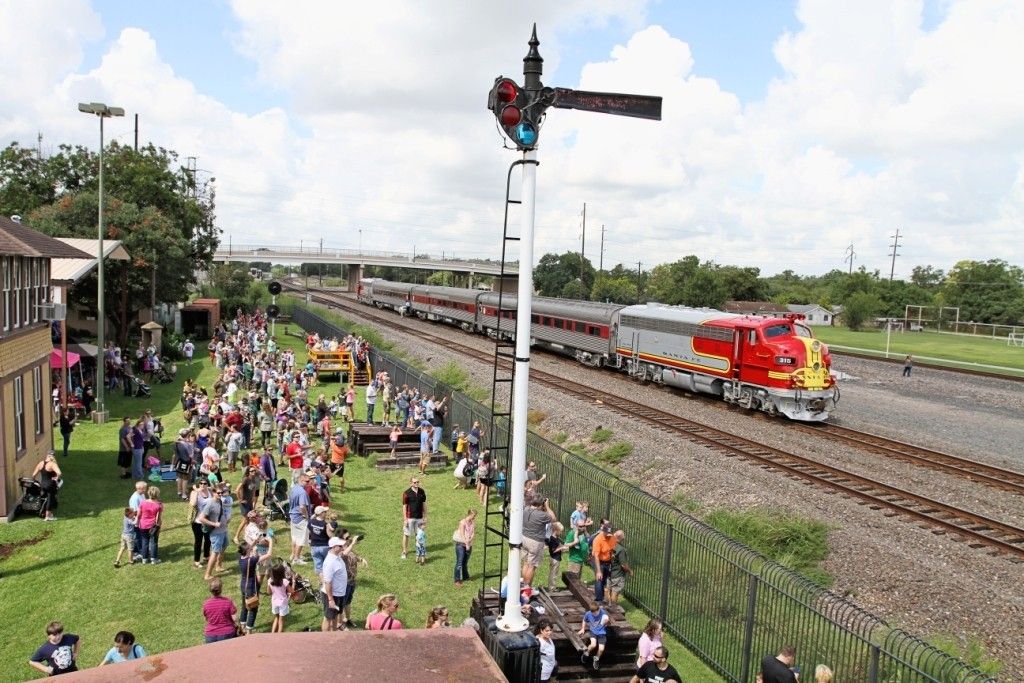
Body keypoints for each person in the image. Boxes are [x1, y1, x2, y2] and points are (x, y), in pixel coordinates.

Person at [195, 484, 229, 581]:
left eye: (222, 493)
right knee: (215, 552)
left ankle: (218, 566)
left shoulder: (220, 501)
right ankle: (207, 574)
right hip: (216, 533)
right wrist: (213, 524)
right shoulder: (210, 504)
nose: (220, 494)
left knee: (225, 545)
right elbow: (201, 518)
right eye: (218, 493)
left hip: (223, 530)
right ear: (213, 493)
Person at [521, 496, 555, 588]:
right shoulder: (542, 515)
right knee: (532, 565)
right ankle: (526, 587)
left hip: (524, 538)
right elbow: (553, 518)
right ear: (541, 504)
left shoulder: (526, 509)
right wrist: (547, 506)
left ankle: (522, 584)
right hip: (535, 542)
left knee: (525, 563)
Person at [238, 540, 270, 634]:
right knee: (253, 607)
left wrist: (255, 542)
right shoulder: (251, 560)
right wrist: (270, 542)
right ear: (247, 550)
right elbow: (268, 554)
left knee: (244, 605)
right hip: (251, 587)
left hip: (243, 585)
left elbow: (249, 550)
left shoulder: (241, 558)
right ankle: (249, 630)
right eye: (249, 547)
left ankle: (242, 626)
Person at [321, 536, 349, 631]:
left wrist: (353, 543)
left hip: (338, 594)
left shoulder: (337, 556)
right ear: (333, 547)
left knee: (335, 615)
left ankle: (334, 634)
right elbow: (327, 582)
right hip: (332, 595)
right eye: (340, 546)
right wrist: (330, 599)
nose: (342, 547)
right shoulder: (330, 562)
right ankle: (325, 639)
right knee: (328, 617)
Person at [202, 577, 240, 643]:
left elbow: (206, 618)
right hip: (227, 634)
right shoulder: (228, 602)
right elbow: (235, 619)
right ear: (221, 589)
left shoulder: (206, 604)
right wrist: (240, 627)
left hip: (210, 635)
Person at [578, 601, 610, 671]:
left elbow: (609, 624)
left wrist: (607, 622)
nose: (595, 614)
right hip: (593, 632)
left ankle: (596, 658)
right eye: (593, 613)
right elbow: (584, 620)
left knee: (601, 649)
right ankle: (586, 653)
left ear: (599, 609)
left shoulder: (603, 613)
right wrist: (583, 628)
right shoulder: (588, 614)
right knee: (593, 645)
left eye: (596, 612)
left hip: (602, 633)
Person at [591, 521, 618, 603]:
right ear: (603, 531)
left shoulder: (612, 538)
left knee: (604, 580)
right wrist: (598, 571)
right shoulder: (598, 539)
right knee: (599, 579)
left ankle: (602, 596)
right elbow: (596, 556)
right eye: (607, 533)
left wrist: (612, 555)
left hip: (608, 561)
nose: (608, 535)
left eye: (610, 533)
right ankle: (599, 600)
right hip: (598, 561)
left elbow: (613, 548)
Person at [288, 473, 312, 564]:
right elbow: (302, 507)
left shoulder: (294, 488)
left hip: (293, 516)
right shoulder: (302, 492)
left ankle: (293, 554)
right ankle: (297, 559)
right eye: (307, 481)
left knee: (294, 537)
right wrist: (306, 516)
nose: (308, 483)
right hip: (300, 518)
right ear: (301, 480)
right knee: (301, 539)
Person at [189, 480, 213, 569]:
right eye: (201, 483)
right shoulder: (194, 492)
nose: (203, 485)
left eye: (205, 483)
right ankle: (197, 561)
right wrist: (197, 491)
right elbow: (193, 503)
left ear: (207, 484)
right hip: (197, 522)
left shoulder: (209, 491)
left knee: (208, 539)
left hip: (208, 521)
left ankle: (206, 556)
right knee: (198, 541)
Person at [401, 476, 426, 560]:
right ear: (411, 483)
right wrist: (405, 519)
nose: (416, 484)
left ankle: (418, 551)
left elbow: (424, 504)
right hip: (409, 518)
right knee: (406, 535)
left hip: (419, 518)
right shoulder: (406, 493)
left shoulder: (422, 491)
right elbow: (404, 507)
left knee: (418, 535)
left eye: (417, 482)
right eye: (414, 482)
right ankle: (404, 551)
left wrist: (425, 517)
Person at [137, 486, 163, 564]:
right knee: (154, 542)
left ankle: (144, 559)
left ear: (149, 493)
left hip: (143, 525)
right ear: (157, 494)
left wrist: (138, 521)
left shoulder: (142, 503)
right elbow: (158, 518)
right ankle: (154, 559)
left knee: (144, 541)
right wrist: (159, 525)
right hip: (153, 526)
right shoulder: (159, 505)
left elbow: (139, 514)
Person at [32, 453, 62, 521]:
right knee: (50, 499)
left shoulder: (41, 463)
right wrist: (57, 478)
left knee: (46, 498)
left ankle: (49, 513)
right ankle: (47, 516)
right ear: (53, 457)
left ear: (46, 456)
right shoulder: (52, 464)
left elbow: (33, 475)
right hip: (50, 485)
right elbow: (59, 473)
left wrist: (35, 481)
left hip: (42, 484)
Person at [608, 529, 634, 603]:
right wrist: (630, 571)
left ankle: (607, 606)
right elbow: (623, 565)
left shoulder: (609, 543)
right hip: (617, 574)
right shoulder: (620, 549)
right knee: (615, 592)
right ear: (620, 538)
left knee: (607, 589)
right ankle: (612, 609)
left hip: (609, 571)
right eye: (623, 537)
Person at [267, 562, 293, 633]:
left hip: (274, 602)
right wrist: (293, 582)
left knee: (276, 618)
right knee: (281, 621)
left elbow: (269, 592)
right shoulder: (284, 581)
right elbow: (291, 591)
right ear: (282, 573)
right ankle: (279, 637)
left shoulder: (270, 581)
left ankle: (272, 634)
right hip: (283, 602)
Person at [453, 508, 475, 586]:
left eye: (475, 516)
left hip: (469, 544)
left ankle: (466, 577)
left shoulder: (472, 522)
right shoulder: (462, 522)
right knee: (459, 563)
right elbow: (462, 534)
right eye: (473, 516)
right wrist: (466, 543)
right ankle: (457, 580)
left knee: (465, 563)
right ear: (469, 514)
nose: (474, 517)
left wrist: (470, 540)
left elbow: (473, 533)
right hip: (461, 545)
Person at [308, 505, 331, 577]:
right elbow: (330, 535)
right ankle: (327, 581)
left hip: (314, 547)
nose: (326, 513)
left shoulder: (310, 522)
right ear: (321, 513)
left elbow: (310, 532)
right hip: (324, 546)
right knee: (327, 566)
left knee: (319, 568)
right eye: (325, 512)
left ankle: (322, 584)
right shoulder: (325, 524)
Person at [545, 522, 567, 591]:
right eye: (560, 531)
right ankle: (552, 588)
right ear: (556, 530)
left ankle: (552, 586)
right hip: (554, 558)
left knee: (554, 573)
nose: (561, 533)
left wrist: (561, 546)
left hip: (556, 558)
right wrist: (561, 548)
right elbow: (553, 550)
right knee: (553, 574)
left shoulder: (555, 538)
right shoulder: (552, 539)